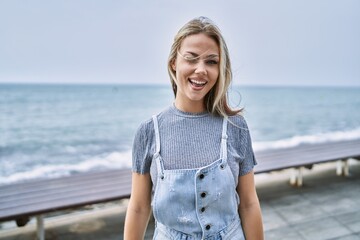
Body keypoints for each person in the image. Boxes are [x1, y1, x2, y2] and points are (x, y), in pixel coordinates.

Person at [124, 16, 263, 240]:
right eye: (191, 59)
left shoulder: (237, 128)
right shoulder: (149, 132)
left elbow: (248, 203)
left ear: (220, 69)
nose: (201, 70)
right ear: (173, 63)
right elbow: (139, 207)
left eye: (211, 61)